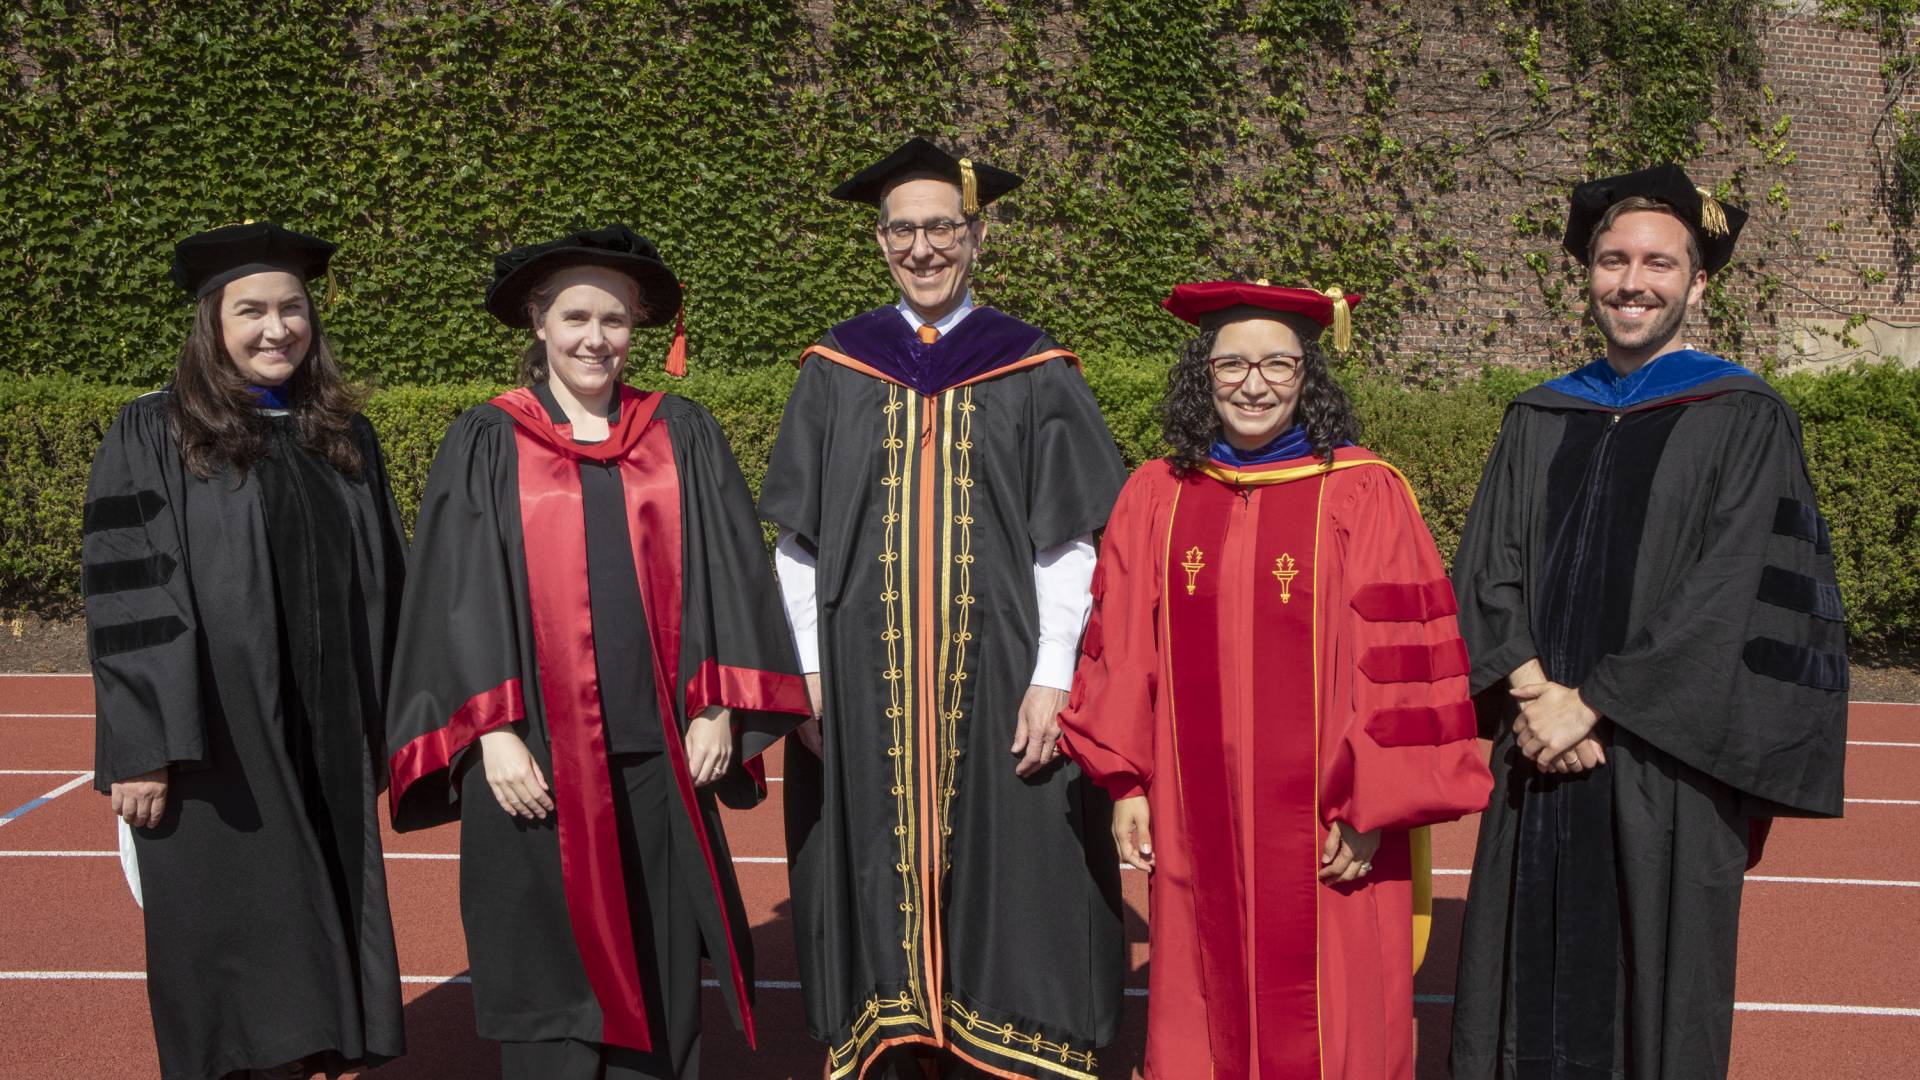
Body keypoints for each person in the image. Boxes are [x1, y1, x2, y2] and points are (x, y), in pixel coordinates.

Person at [1448, 165, 1850, 1080]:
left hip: (1666, 755)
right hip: (1537, 747)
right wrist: (1530, 687)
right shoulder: (1541, 413)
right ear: (1587, 272)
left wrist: (1592, 704)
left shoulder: (1743, 416)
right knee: (1522, 965)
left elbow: (1736, 587)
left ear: (1697, 283)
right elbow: (1487, 565)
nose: (1633, 281)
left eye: (1659, 264)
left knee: (1661, 983)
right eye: (1613, 260)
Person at [383, 225, 808, 1080]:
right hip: (535, 754)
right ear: (537, 323)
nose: (595, 338)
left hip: (660, 751)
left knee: (659, 955)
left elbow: (730, 570)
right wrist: (491, 731)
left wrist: (719, 703)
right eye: (575, 316)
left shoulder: (679, 431)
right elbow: (454, 592)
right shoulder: (487, 440)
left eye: (614, 320)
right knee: (546, 965)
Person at [1056, 281, 1494, 1079]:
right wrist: (1126, 785)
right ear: (1203, 373)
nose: (1253, 384)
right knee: (1202, 1005)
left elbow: (1403, 671)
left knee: (1336, 1013)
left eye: (1277, 364)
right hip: (1195, 818)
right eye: (1231, 364)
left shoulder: (1365, 493)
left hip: (1331, 825)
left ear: (1308, 376)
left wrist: (1373, 811)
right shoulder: (1156, 494)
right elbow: (1121, 650)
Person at [762, 138, 1130, 1079]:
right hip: (858, 675)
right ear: (880, 239)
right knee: (870, 862)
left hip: (1003, 675)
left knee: (1023, 859)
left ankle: (1003, 1038)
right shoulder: (837, 367)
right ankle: (893, 1031)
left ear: (974, 233)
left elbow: (1074, 540)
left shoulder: (1034, 367)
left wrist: (1054, 679)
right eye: (903, 229)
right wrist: (805, 668)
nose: (922, 248)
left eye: (941, 228)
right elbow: (797, 540)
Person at [83, 222, 408, 1080]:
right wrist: (145, 749)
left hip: (328, 726)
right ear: (212, 324)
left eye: (292, 308)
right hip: (215, 739)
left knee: (319, 929)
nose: (277, 328)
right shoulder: (155, 432)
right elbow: (130, 597)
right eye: (252, 311)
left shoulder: (339, 435)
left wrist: (396, 722)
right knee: (234, 940)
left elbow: (387, 581)